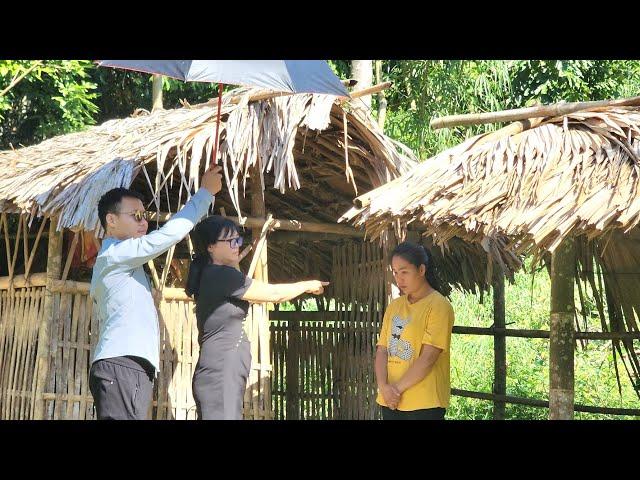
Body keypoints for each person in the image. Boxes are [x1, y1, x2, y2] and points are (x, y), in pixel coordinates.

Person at [88, 166, 223, 420]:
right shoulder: (117, 254)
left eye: (145, 215)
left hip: (125, 366)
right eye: (136, 215)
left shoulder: (120, 261)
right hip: (122, 365)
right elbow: (166, 236)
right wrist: (204, 193)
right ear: (111, 220)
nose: (144, 221)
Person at [186, 215, 328, 420]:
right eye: (230, 241)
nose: (236, 245)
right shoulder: (221, 275)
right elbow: (273, 295)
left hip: (221, 371)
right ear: (210, 247)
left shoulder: (216, 274)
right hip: (220, 372)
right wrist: (307, 285)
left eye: (238, 239)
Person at [374, 242, 454, 420]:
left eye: (404, 272)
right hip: (390, 402)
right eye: (395, 272)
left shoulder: (439, 306)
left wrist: (395, 390)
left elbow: (428, 358)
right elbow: (382, 350)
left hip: (424, 404)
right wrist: (383, 387)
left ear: (421, 270)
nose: (398, 278)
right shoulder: (394, 306)